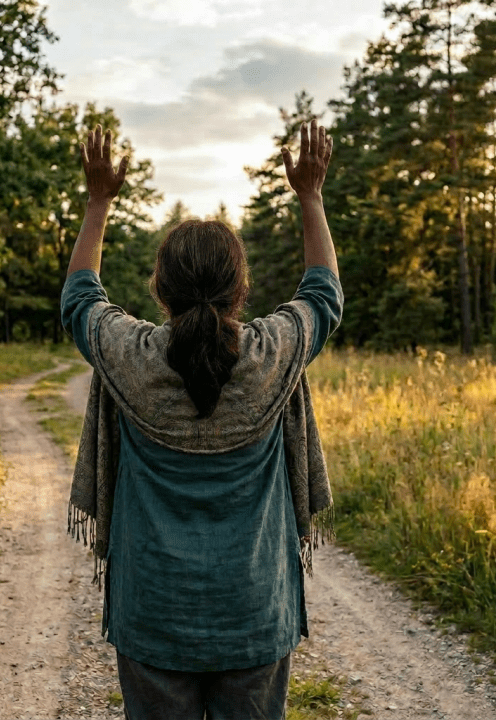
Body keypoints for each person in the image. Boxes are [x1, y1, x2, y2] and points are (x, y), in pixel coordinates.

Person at [61, 121, 343, 720]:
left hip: (153, 612)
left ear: (159, 287)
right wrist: (310, 197)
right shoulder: (272, 354)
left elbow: (80, 299)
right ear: (242, 287)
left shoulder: (129, 356)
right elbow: (323, 296)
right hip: (255, 612)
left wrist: (98, 200)